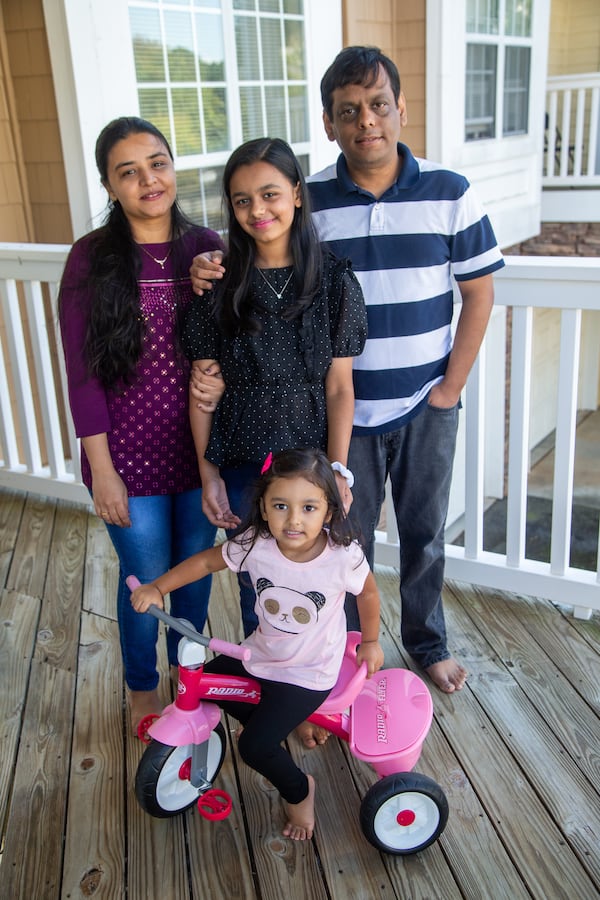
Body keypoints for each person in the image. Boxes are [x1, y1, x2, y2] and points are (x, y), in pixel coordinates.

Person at [190, 47, 505, 712]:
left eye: (378, 105)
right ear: (330, 124)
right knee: (338, 546)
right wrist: (211, 266)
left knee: (423, 530)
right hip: (339, 417)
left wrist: (448, 389)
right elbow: (261, 251)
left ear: (400, 109)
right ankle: (329, 662)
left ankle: (427, 641)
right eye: (348, 112)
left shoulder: (450, 192)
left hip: (424, 403)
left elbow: (478, 293)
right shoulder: (314, 205)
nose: (367, 121)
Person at [59, 116, 226, 733]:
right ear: (110, 184)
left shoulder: (206, 247)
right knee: (146, 581)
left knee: (195, 577)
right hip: (125, 459)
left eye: (157, 162)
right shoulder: (90, 260)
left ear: (173, 167)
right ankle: (140, 683)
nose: (148, 180)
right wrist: (102, 472)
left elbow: (237, 341)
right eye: (128, 171)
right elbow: (83, 376)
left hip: (201, 452)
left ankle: (191, 678)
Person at [130, 447, 384, 841]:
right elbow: (204, 563)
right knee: (203, 686)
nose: (294, 519)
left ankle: (300, 791)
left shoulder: (340, 556)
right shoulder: (256, 543)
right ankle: (271, 727)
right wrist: (158, 587)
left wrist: (370, 641)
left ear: (329, 512)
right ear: (263, 508)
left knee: (252, 748)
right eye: (281, 505)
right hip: (260, 656)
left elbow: (367, 594)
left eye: (309, 508)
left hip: (307, 674)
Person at [182, 137, 368, 637]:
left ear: (297, 194)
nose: (256, 210)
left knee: (324, 581)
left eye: (269, 195)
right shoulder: (218, 284)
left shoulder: (333, 280)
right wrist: (209, 474)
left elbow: (339, 388)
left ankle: (324, 688)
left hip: (311, 465)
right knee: (259, 588)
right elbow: (202, 394)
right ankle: (267, 688)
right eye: (242, 200)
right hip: (246, 461)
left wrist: (338, 470)